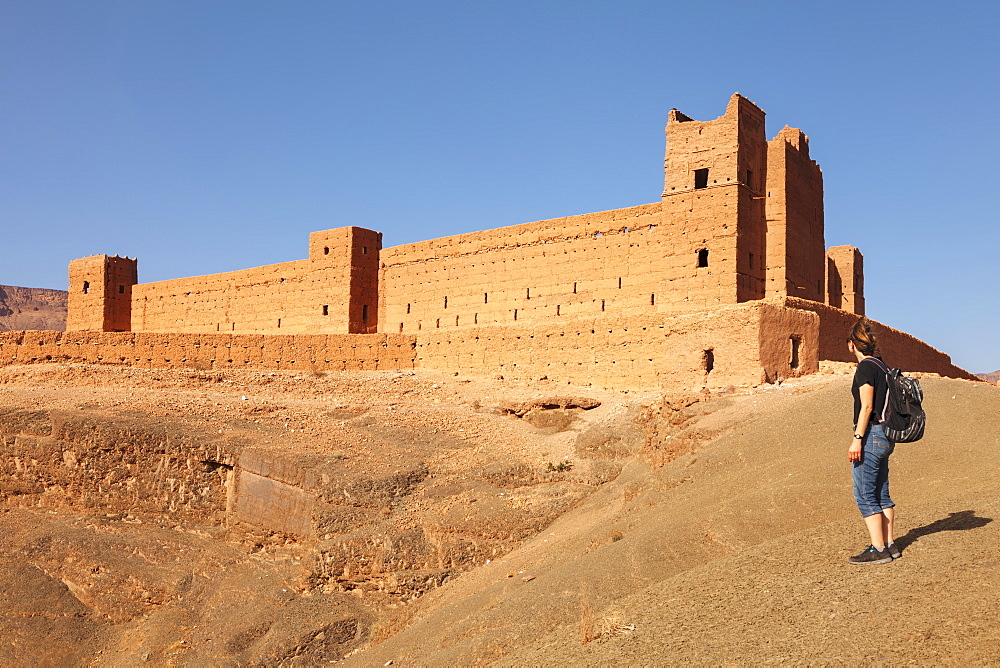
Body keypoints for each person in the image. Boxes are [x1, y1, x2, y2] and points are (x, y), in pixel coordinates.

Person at [846, 317, 900, 565]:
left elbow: (867, 405)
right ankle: (890, 544)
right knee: (881, 492)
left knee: (865, 494)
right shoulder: (882, 365)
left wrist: (857, 438)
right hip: (886, 435)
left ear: (852, 345)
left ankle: (878, 549)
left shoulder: (865, 368)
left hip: (872, 435)